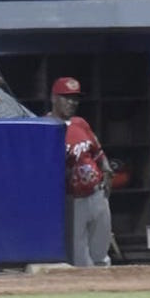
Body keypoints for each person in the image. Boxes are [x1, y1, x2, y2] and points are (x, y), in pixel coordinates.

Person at [50, 77, 113, 268]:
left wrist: (107, 172)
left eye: (75, 98)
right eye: (66, 97)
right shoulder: (46, 127)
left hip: (97, 194)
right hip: (72, 200)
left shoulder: (80, 123)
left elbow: (98, 152)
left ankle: (107, 294)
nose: (72, 102)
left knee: (101, 254)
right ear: (54, 98)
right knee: (80, 258)